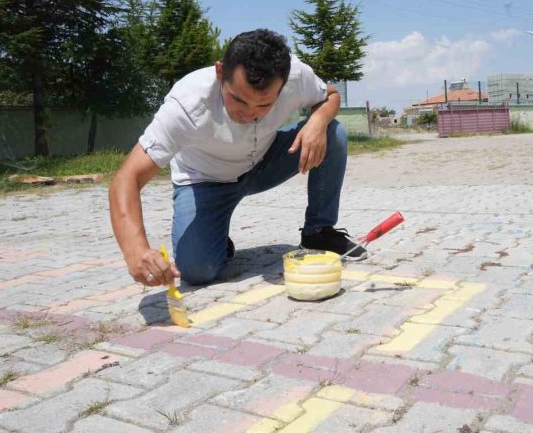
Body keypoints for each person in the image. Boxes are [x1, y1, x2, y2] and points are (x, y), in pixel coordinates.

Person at [108, 29, 366, 288]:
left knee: (333, 133)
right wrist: (136, 251)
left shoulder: (296, 74)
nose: (249, 114)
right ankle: (216, 239)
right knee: (197, 271)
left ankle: (318, 233)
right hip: (206, 182)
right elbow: (127, 178)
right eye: (238, 100)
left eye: (264, 105)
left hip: (265, 162)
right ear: (220, 72)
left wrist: (318, 120)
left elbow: (330, 95)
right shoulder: (186, 103)